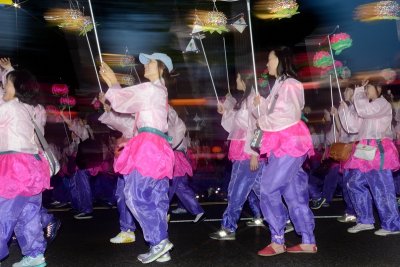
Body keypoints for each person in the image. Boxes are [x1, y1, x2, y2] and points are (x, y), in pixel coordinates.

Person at [99, 52, 175, 264]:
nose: (145, 66)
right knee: (157, 199)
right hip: (158, 147)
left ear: (161, 68)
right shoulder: (159, 92)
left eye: (150, 62)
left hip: (148, 146)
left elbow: (123, 102)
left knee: (134, 194)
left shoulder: (151, 89)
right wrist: (113, 90)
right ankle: (161, 246)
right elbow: (127, 109)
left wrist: (114, 83)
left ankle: (158, 241)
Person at [254, 47, 316, 256]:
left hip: (289, 143)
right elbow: (274, 112)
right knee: (294, 192)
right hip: (284, 143)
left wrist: (262, 118)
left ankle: (278, 240)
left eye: (270, 59)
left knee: (268, 188)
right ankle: (308, 240)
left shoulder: (290, 84)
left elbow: (286, 115)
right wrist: (261, 105)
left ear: (279, 60)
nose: (267, 64)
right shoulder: (281, 84)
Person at [0, 69, 51, 267]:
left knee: (4, 211)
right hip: (33, 166)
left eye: (7, 83)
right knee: (28, 213)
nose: (4, 86)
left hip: (14, 166)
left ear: (16, 88)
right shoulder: (29, 109)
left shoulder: (10, 107)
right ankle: (35, 254)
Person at [209, 72, 265, 240]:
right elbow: (236, 126)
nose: (235, 81)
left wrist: (254, 153)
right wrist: (225, 112)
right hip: (243, 151)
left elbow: (259, 128)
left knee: (236, 190)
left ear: (244, 81)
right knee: (263, 191)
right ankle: (284, 221)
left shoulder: (254, 101)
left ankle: (228, 227)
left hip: (247, 153)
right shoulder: (246, 101)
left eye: (237, 78)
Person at [340, 79, 400, 236]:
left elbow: (364, 110)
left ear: (379, 89)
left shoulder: (381, 104)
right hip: (364, 149)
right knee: (353, 183)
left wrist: (358, 92)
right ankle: (365, 220)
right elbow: (352, 126)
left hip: (378, 149)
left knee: (382, 188)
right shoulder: (368, 106)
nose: (365, 91)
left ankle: (392, 224)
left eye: (368, 88)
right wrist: (344, 110)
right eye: (365, 89)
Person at [167, 106, 205, 223]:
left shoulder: (177, 124)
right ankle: (191, 208)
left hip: (177, 159)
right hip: (176, 158)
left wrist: (164, 104)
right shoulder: (171, 126)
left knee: (171, 187)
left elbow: (172, 114)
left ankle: (162, 212)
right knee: (180, 186)